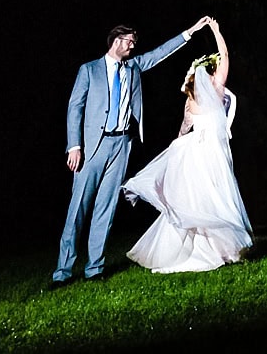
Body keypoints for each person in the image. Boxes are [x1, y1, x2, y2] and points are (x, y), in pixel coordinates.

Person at [51, 18, 209, 285]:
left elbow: (159, 54)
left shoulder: (134, 67)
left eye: (135, 42)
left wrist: (189, 33)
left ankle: (94, 269)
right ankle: (62, 272)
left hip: (121, 145)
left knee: (106, 208)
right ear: (117, 41)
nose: (133, 46)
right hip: (92, 148)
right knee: (78, 208)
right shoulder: (89, 70)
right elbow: (74, 108)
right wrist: (74, 146)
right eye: (130, 42)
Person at [122, 14, 252, 271]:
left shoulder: (191, 101)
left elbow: (184, 128)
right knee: (218, 197)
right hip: (214, 151)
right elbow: (225, 56)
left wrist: (178, 144)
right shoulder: (217, 89)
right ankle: (223, 250)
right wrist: (216, 30)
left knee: (201, 199)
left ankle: (212, 248)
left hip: (199, 151)